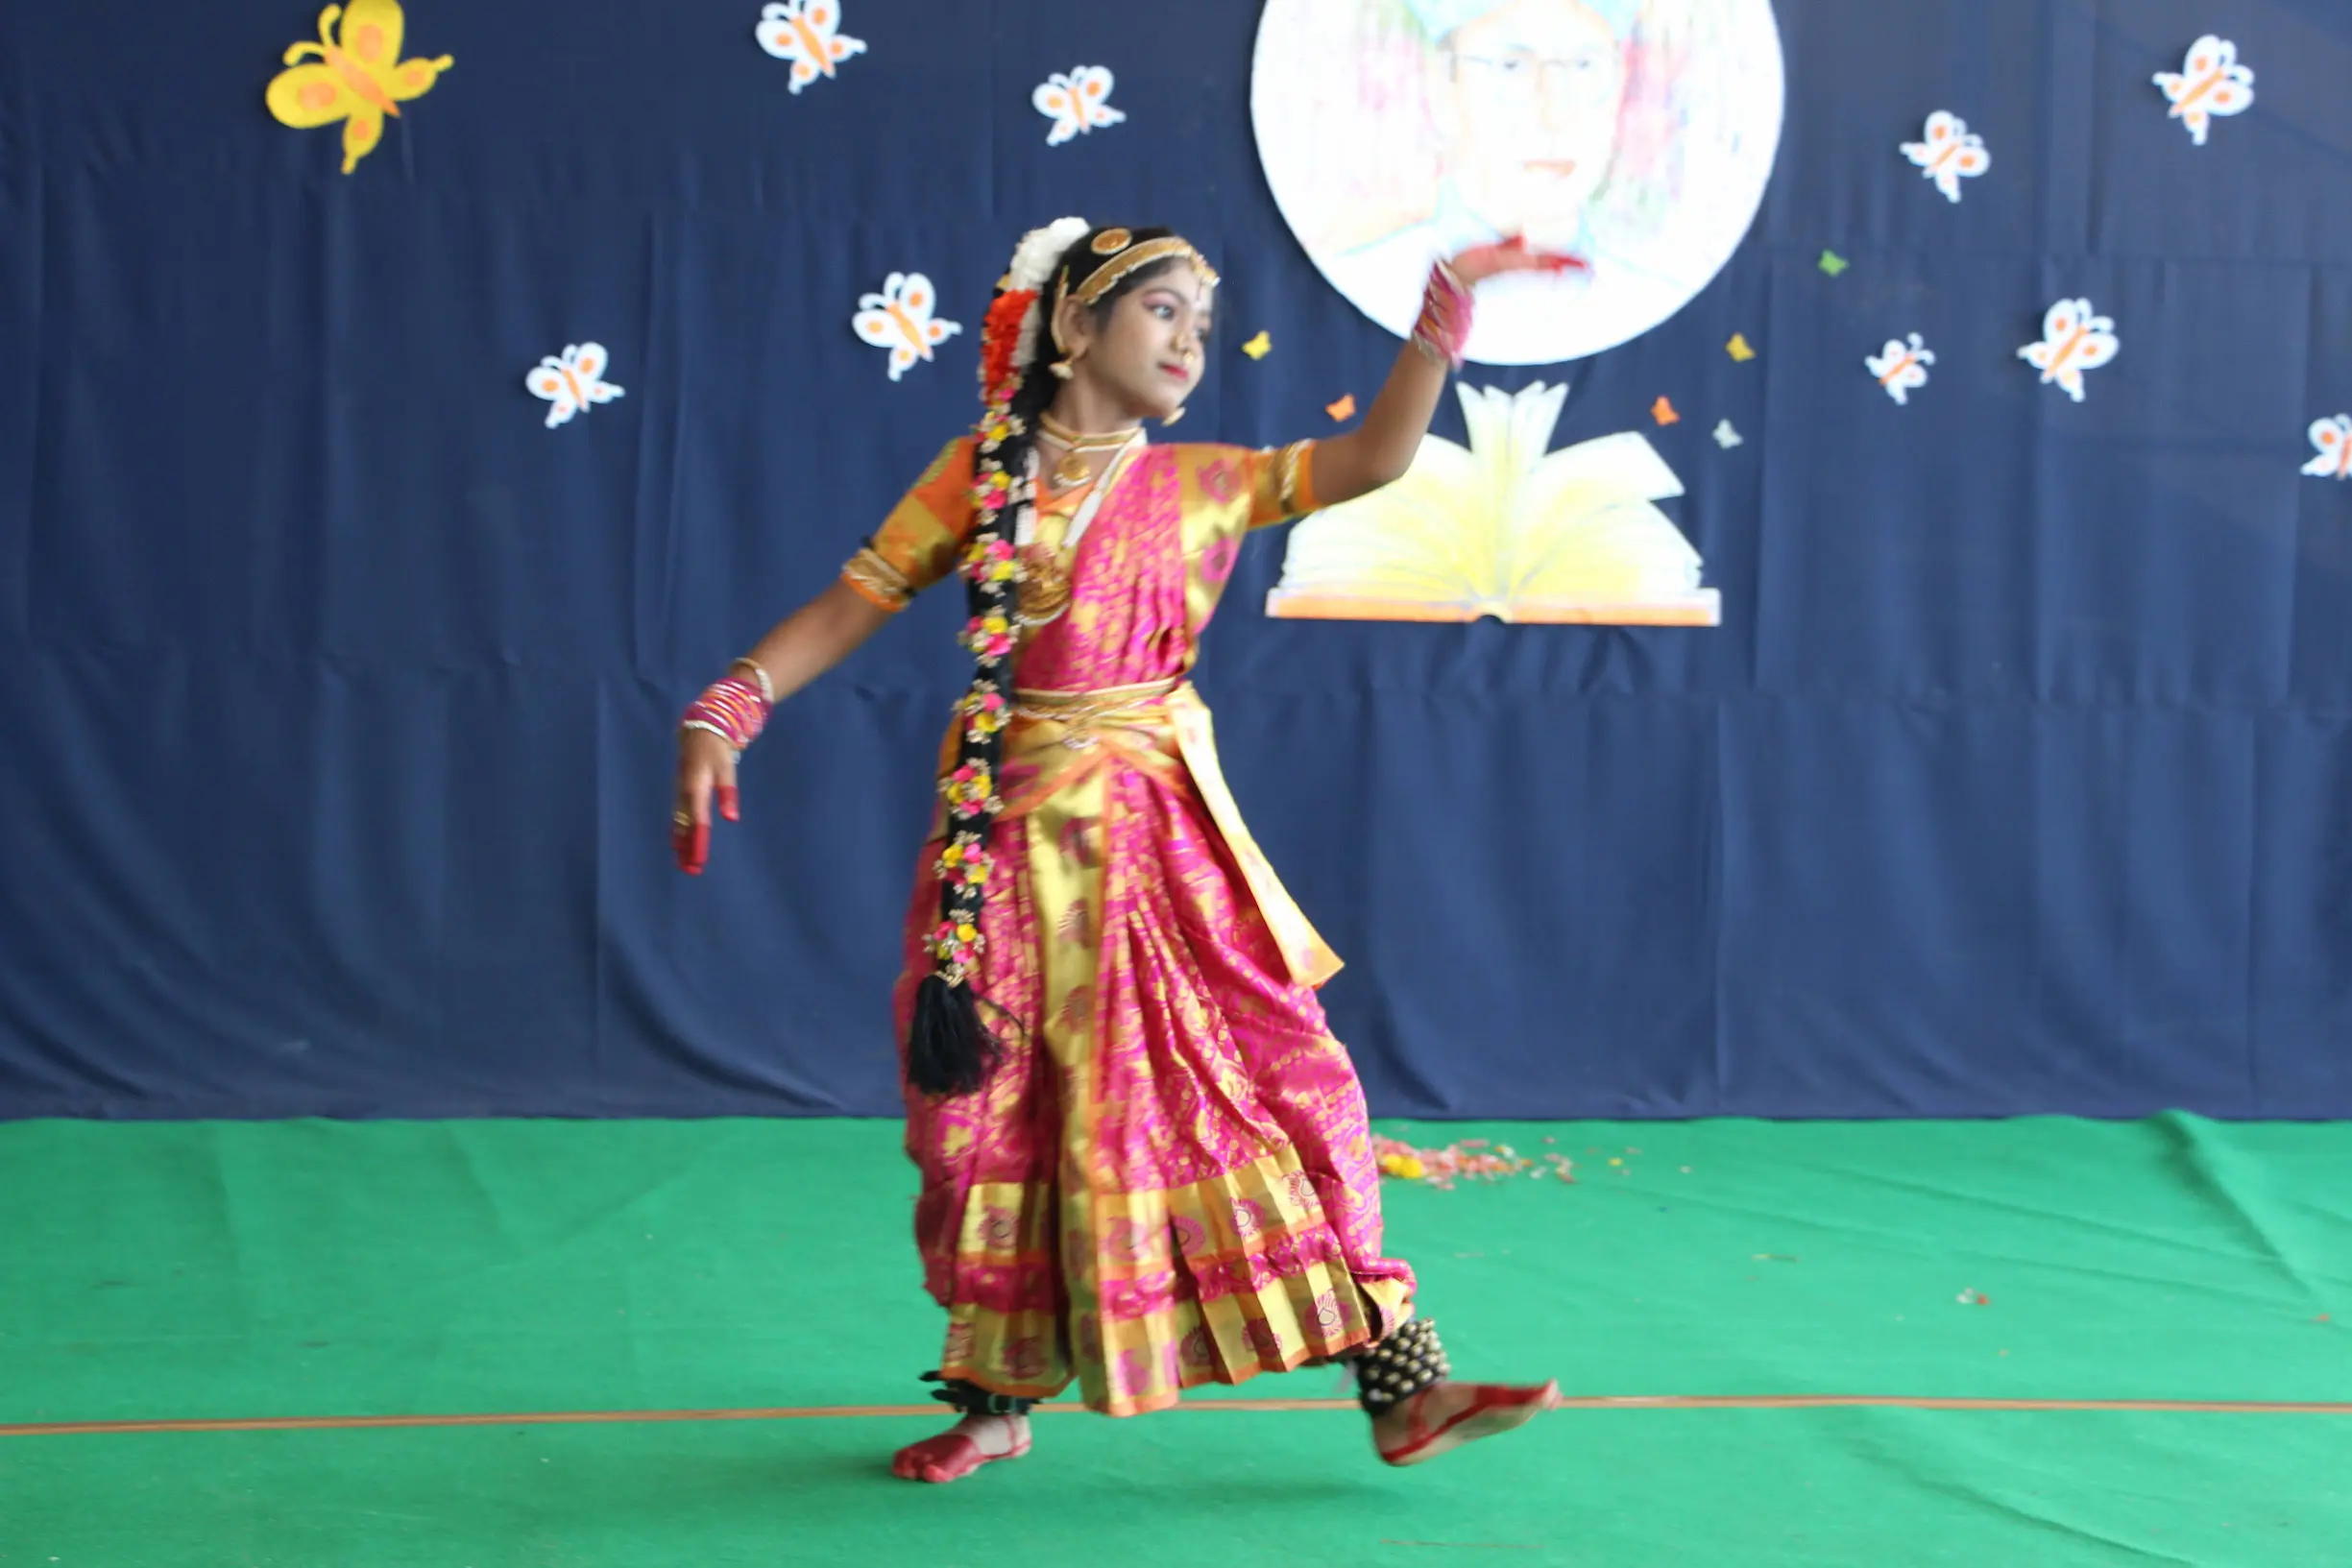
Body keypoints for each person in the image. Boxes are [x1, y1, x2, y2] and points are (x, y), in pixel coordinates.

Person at [672, 219, 1571, 1484]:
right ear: (1074, 326)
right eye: (1163, 312)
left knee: (1280, 1082)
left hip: (1166, 849)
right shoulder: (978, 478)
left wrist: (1445, 306)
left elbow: (1375, 457)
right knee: (991, 1113)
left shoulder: (1210, 482)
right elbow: (851, 601)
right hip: (1007, 849)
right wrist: (729, 708)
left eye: (1202, 324)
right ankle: (993, 1399)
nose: (1190, 341)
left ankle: (1401, 1382)